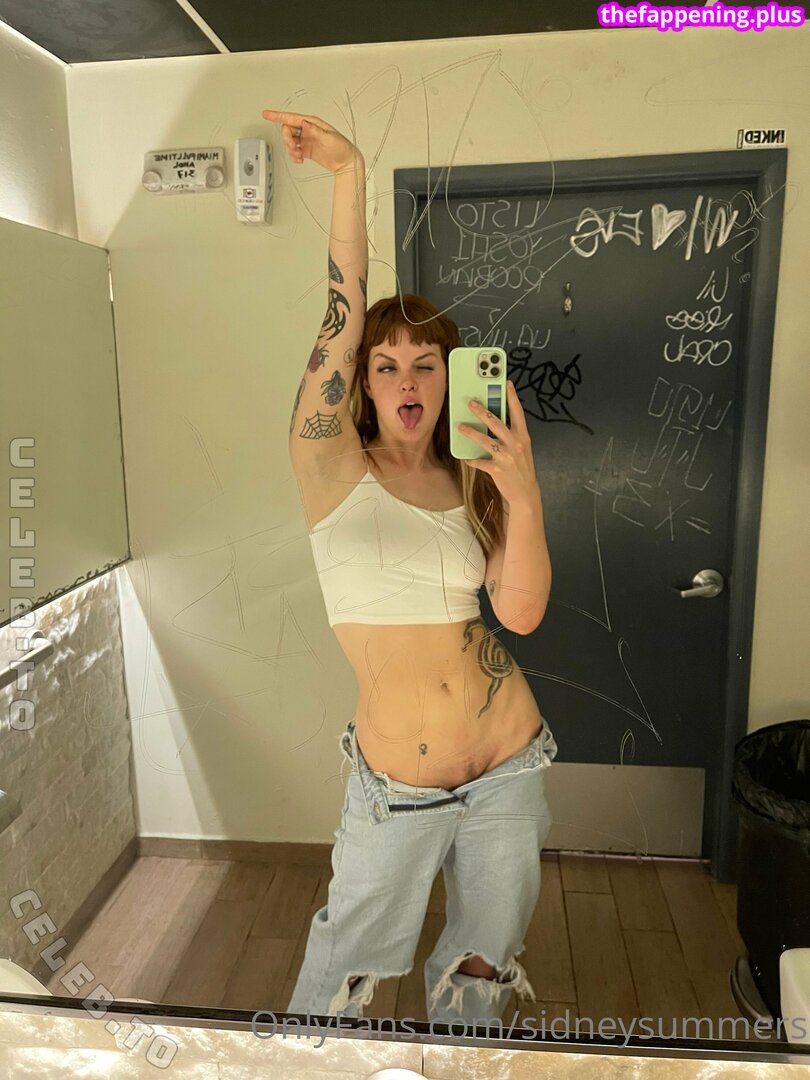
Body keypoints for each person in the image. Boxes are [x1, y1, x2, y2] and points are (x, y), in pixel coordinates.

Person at [262, 107, 557, 1026]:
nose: (405, 381)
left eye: (426, 364)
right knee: (347, 972)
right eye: (385, 365)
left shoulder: (474, 480)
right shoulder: (329, 466)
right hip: (397, 789)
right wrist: (349, 174)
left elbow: (521, 614)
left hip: (508, 764)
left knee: (482, 966)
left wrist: (524, 492)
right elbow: (339, 323)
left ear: (449, 376)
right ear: (361, 381)